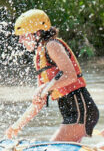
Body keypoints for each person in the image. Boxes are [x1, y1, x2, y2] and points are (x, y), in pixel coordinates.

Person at [7, 9, 99, 142]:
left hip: (81, 109)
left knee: (52, 147)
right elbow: (39, 101)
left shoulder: (52, 45)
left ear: (37, 33)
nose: (20, 41)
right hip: (71, 111)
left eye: (23, 36)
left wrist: (46, 86)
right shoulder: (39, 57)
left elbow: (70, 75)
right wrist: (17, 126)